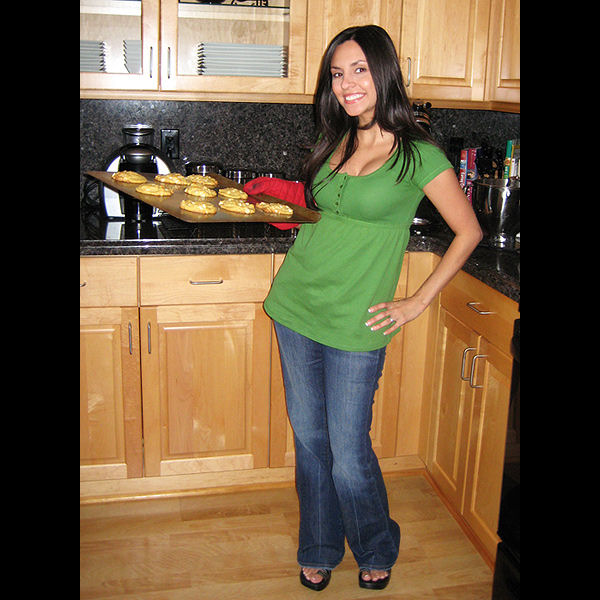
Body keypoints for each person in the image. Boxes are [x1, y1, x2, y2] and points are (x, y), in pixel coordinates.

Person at [243, 24, 482, 592]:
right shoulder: (336, 139)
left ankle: (375, 544)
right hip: (297, 306)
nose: (347, 84)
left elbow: (468, 231)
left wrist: (417, 302)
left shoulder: (419, 155)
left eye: (359, 70)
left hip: (358, 319)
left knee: (348, 451)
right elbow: (326, 214)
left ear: (385, 73)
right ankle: (319, 546)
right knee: (311, 442)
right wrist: (274, 205)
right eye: (337, 73)